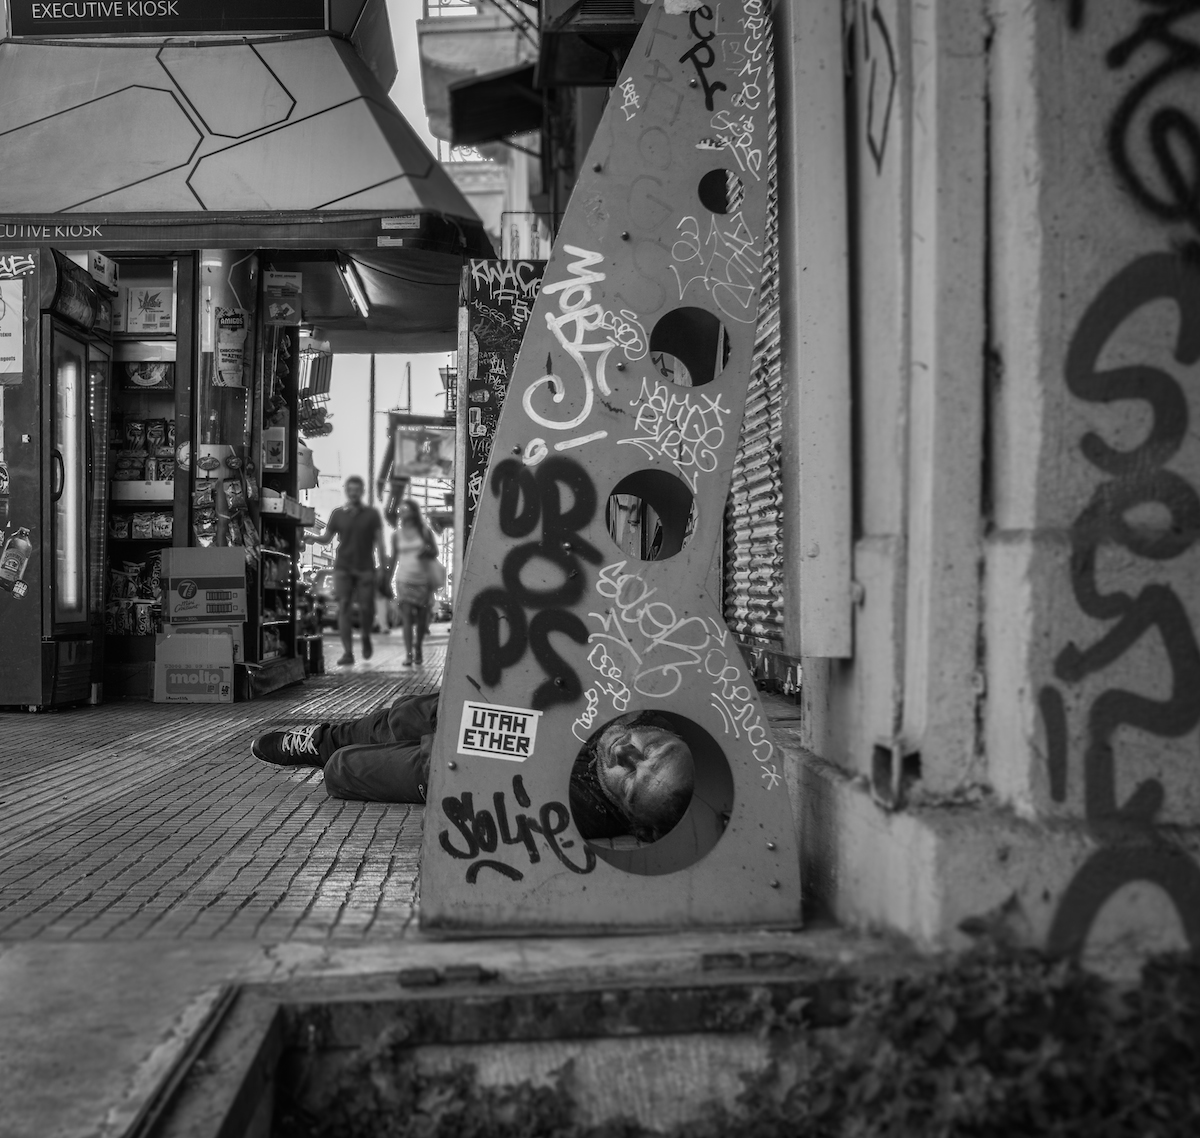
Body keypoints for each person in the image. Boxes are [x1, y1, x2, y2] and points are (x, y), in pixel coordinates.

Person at [251, 697, 695, 843]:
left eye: (632, 782)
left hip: (474, 762)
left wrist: (448, 746)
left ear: (635, 820)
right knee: (406, 716)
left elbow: (488, 779)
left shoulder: (586, 809)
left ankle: (331, 751)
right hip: (515, 719)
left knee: (343, 770)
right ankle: (321, 738)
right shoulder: (639, 707)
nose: (626, 754)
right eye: (652, 748)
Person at [306, 476, 387, 666]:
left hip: (366, 568)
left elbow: (380, 543)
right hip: (343, 567)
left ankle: (365, 636)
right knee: (344, 607)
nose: (354, 493)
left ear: (362, 491)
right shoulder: (338, 514)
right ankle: (348, 652)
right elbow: (326, 538)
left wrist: (383, 568)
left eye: (357, 490)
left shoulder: (372, 515)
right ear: (347, 492)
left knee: (366, 608)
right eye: (350, 490)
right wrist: (313, 538)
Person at [389, 498, 439, 667]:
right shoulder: (397, 535)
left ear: (413, 512)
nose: (403, 513)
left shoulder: (425, 532)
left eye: (406, 510)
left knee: (422, 620)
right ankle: (409, 654)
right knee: (407, 620)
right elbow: (393, 559)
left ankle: (418, 648)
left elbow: (435, 551)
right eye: (401, 511)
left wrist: (426, 551)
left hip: (423, 580)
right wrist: (387, 580)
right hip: (403, 580)